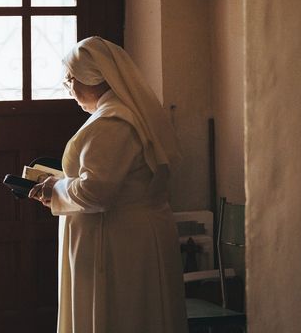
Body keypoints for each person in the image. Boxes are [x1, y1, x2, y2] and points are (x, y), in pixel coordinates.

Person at [29, 36, 188, 333]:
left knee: (120, 316)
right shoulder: (123, 114)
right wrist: (64, 182)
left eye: (70, 81)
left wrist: (56, 189)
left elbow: (95, 192)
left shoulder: (111, 123)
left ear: (92, 78)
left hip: (118, 243)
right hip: (129, 235)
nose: (70, 90)